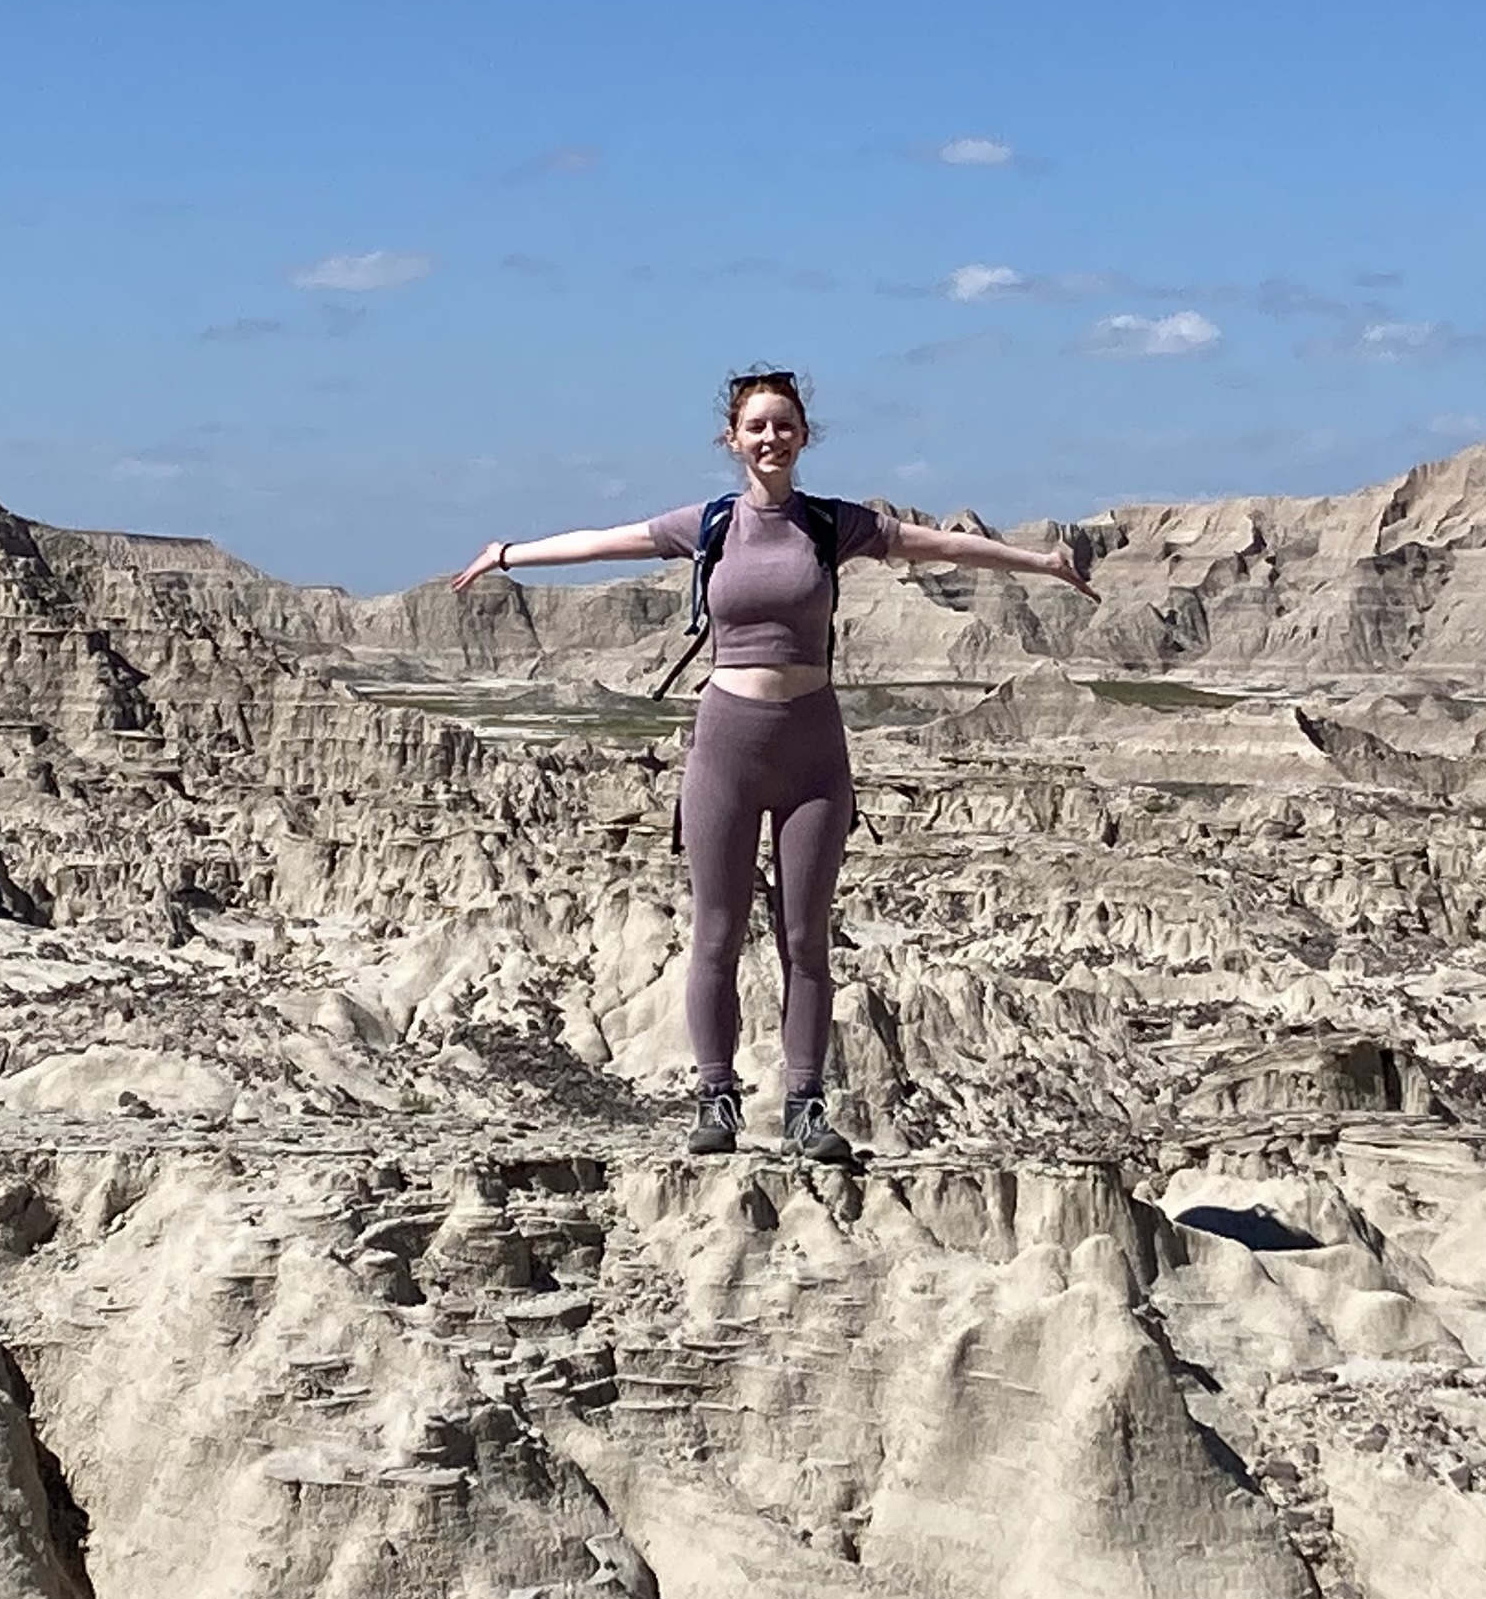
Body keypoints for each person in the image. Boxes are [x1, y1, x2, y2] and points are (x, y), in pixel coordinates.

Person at [454, 366, 1095, 1162]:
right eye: (756, 426)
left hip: (814, 749)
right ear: (733, 439)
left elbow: (939, 546)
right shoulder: (709, 523)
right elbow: (604, 541)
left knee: (806, 939)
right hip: (726, 746)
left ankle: (804, 1106)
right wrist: (508, 553)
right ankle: (716, 1100)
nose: (771, 438)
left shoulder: (834, 525)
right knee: (716, 936)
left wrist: (1041, 562)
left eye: (784, 425)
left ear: (803, 435)